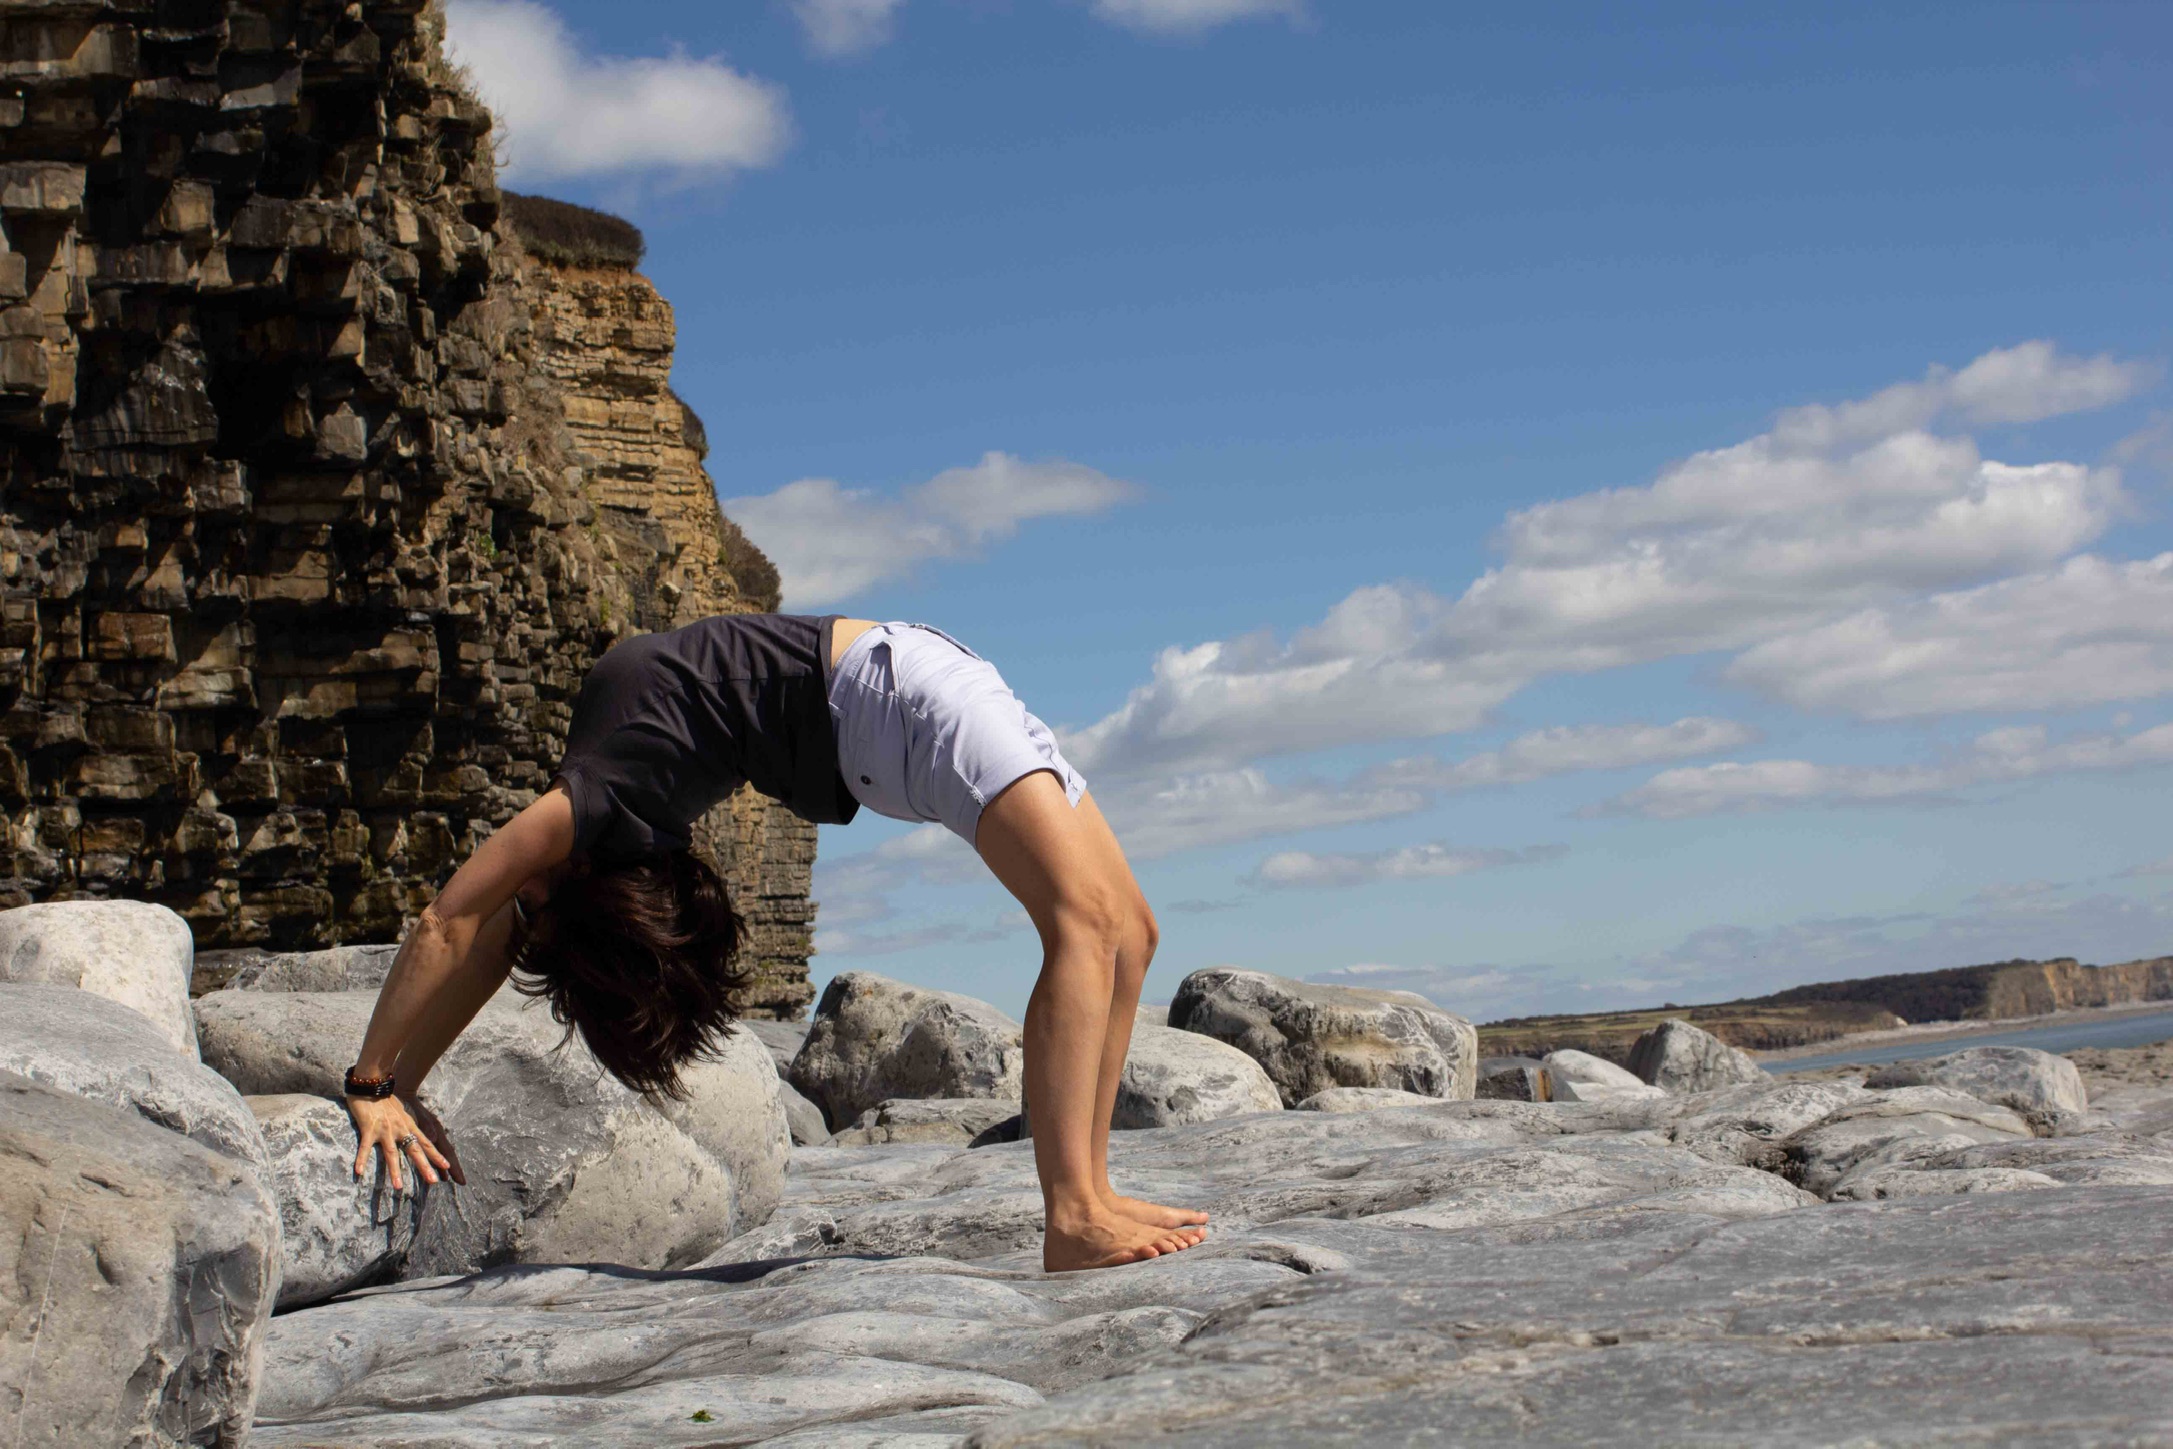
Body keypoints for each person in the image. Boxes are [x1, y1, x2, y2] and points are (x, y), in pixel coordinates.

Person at [341, 614, 1207, 1271]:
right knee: (1085, 926)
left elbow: (458, 928)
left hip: (905, 685)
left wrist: (385, 1079)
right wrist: (384, 1086)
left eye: (524, 903)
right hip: (894, 699)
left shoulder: (585, 821)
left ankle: (1091, 1191)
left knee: (1130, 929)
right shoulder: (596, 811)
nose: (515, 903)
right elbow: (462, 934)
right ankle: (1071, 1214)